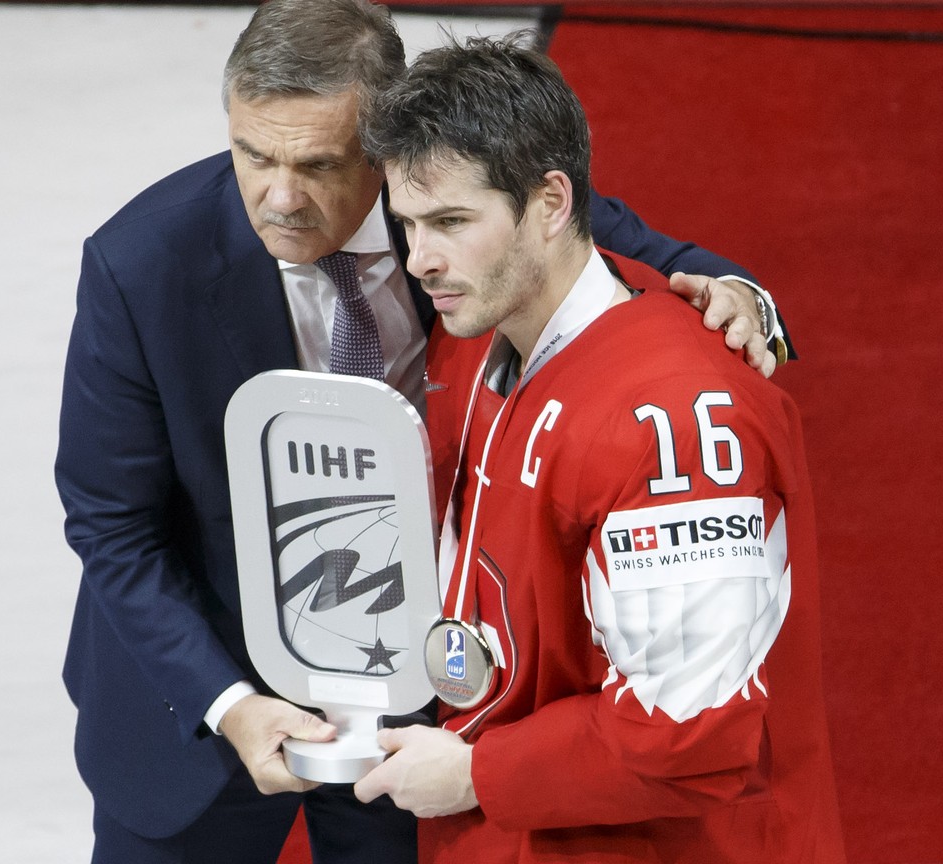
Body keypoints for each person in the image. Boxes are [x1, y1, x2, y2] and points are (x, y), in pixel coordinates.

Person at [53, 1, 791, 861]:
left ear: (389, 147)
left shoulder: (456, 215)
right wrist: (228, 703)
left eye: (319, 163)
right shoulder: (140, 264)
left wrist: (745, 299)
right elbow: (111, 523)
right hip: (204, 698)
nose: (279, 198)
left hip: (426, 694)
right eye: (253, 154)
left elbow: (644, 254)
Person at [349, 34, 845, 862]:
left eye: (451, 222)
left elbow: (688, 734)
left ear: (551, 203)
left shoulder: (676, 421)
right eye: (406, 223)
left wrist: (477, 773)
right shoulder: (479, 327)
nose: (420, 259)